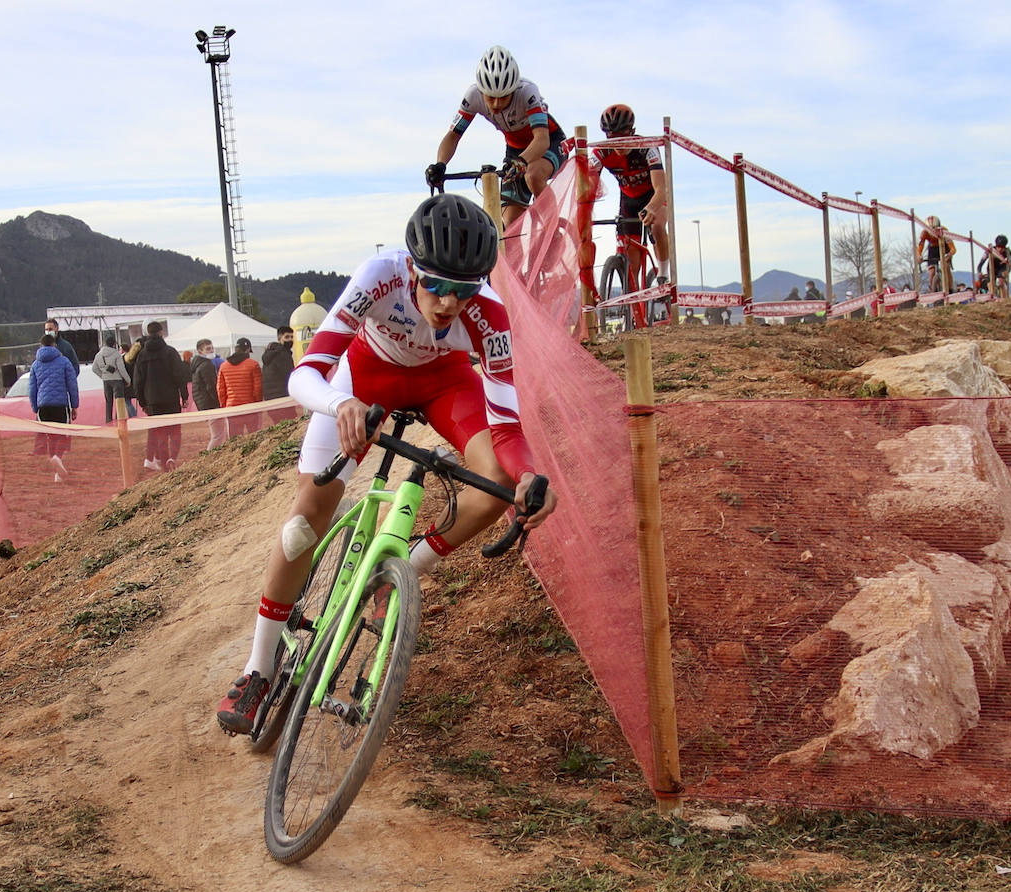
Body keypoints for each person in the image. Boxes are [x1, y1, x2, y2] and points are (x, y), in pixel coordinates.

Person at [216, 195, 558, 735]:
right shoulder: (380, 276)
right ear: (412, 268)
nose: (447, 302)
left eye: (463, 289)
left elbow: (508, 428)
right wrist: (340, 404)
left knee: (497, 481)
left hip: (445, 382)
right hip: (365, 378)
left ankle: (398, 578)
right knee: (304, 522)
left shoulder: (490, 316)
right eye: (436, 285)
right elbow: (304, 374)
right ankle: (258, 666)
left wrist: (531, 475)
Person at [426, 45, 568, 226]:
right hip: (515, 150)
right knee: (510, 223)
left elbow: (541, 138)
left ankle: (553, 233)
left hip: (549, 143)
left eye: (504, 97)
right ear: (481, 91)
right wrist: (440, 165)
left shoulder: (527, 92)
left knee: (533, 175)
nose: (496, 103)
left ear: (513, 89)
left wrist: (522, 162)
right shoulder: (473, 96)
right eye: (490, 97)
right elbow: (453, 136)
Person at [589, 104, 671, 289]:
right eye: (612, 138)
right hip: (628, 200)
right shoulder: (602, 152)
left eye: (622, 137)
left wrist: (651, 208)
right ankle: (634, 312)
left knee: (657, 226)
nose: (618, 144)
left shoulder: (647, 148)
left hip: (653, 197)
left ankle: (664, 274)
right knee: (631, 264)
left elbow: (661, 189)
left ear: (632, 132)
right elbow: (585, 183)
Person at [132, 321, 190, 471]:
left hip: (152, 402)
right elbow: (179, 376)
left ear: (147, 334)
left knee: (160, 434)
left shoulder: (142, 355)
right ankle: (173, 457)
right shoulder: (170, 352)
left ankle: (164, 464)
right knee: (175, 431)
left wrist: (143, 402)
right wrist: (184, 396)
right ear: (161, 332)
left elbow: (138, 381)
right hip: (171, 398)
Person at [28, 333, 78, 481]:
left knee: (50, 436)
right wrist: (74, 405)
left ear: (41, 345)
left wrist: (35, 408)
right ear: (55, 345)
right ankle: (58, 459)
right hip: (60, 405)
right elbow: (72, 385)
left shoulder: (35, 365)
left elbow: (32, 389)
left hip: (43, 406)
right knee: (61, 435)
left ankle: (55, 462)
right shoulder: (64, 362)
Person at [217, 337, 264, 439]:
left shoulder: (223, 366)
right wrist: (258, 403)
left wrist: (224, 405)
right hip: (250, 407)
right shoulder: (254, 364)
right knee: (254, 437)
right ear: (247, 350)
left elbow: (221, 389)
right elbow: (258, 388)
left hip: (232, 407)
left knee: (235, 440)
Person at [190, 338, 226, 450]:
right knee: (218, 436)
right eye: (208, 349)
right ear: (200, 351)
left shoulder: (198, 365)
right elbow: (211, 387)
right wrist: (218, 403)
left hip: (204, 403)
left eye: (212, 348)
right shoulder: (206, 365)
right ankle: (209, 456)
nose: (211, 351)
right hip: (211, 404)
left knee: (218, 434)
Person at [92, 334, 133, 422]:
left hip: (106, 381)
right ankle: (120, 420)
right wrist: (128, 380)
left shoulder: (99, 355)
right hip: (117, 380)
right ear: (114, 344)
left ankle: (108, 420)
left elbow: (94, 368)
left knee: (108, 401)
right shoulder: (116, 354)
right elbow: (121, 369)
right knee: (120, 401)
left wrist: (102, 376)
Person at [916, 216, 957, 293]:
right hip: (933, 249)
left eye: (935, 229)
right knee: (931, 272)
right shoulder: (924, 233)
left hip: (944, 247)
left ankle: (950, 288)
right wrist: (919, 256)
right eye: (930, 230)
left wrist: (949, 254)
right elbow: (920, 247)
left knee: (946, 266)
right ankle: (932, 289)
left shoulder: (944, 231)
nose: (933, 232)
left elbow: (953, 249)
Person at [261, 326, 296, 400]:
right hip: (282, 394)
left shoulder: (269, 353)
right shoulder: (283, 354)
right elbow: (289, 375)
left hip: (269, 395)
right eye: (287, 337)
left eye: (292, 337)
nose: (290, 339)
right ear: (279, 339)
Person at [976, 235, 1011, 299]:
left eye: (1002, 247)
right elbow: (981, 263)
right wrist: (979, 272)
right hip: (991, 267)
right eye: (998, 247)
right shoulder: (989, 251)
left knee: (1001, 282)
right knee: (991, 284)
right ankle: (992, 296)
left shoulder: (1007, 252)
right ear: (996, 245)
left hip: (1002, 267)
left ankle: (1004, 299)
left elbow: (1009, 265)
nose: (1000, 249)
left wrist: (1007, 271)